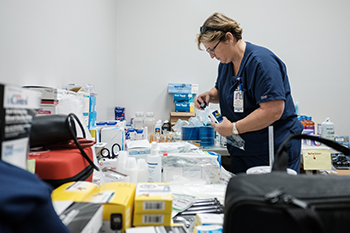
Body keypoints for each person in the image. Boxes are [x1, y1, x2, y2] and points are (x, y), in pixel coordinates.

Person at [195, 12, 303, 174]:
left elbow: (273, 111)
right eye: (208, 51)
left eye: (212, 49)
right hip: (243, 149)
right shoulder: (226, 63)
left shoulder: (262, 63)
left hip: (272, 148)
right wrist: (210, 95)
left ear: (229, 38)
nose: (212, 56)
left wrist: (233, 128)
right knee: (244, 196)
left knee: (269, 197)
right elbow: (224, 88)